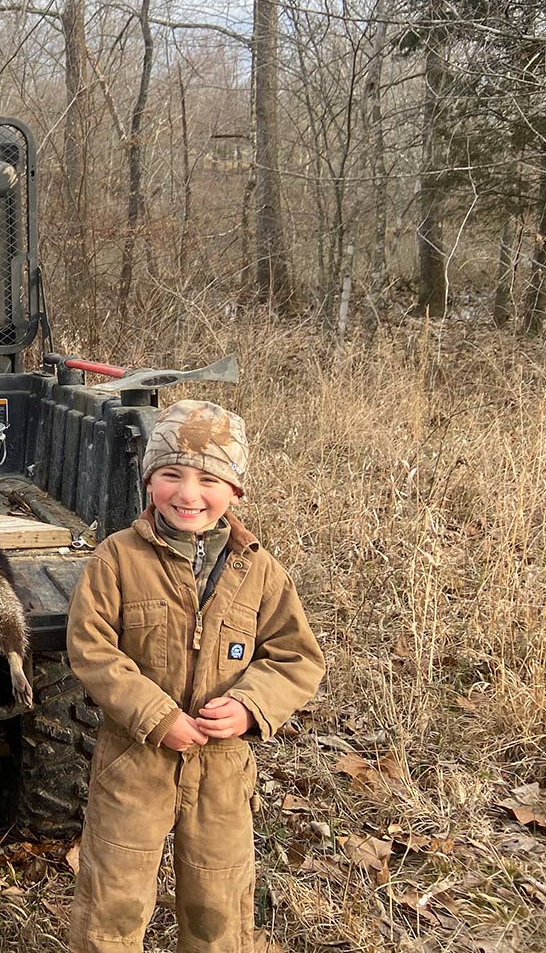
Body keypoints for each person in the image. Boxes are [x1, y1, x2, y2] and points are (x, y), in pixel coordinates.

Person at [66, 399, 324, 952]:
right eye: (171, 475)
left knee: (218, 912)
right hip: (132, 764)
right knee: (112, 904)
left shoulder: (259, 571)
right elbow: (91, 647)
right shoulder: (117, 559)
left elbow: (296, 659)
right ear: (149, 481)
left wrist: (251, 707)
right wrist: (156, 715)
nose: (188, 494)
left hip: (223, 772)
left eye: (209, 478)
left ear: (235, 491)